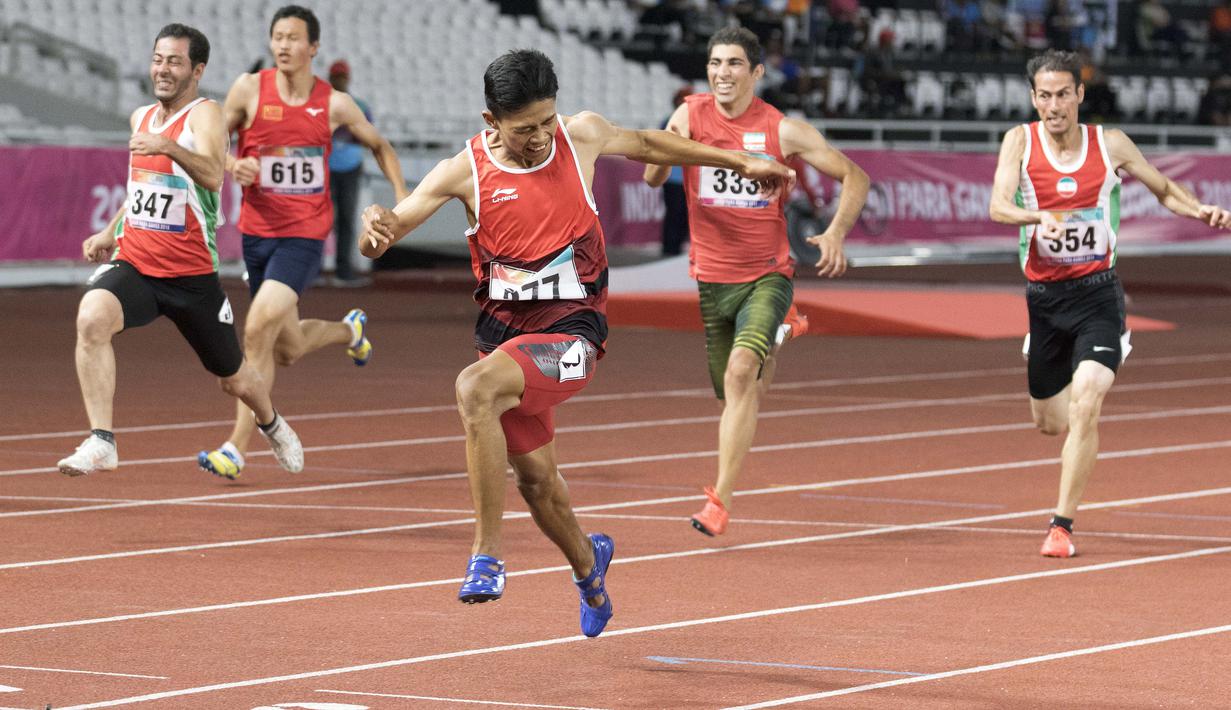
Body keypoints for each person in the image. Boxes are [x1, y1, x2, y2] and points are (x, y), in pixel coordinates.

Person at [359, 49, 793, 637]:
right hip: (505, 345)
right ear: (492, 122)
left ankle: (486, 555)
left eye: (545, 121)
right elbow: (393, 226)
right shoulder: (463, 172)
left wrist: (737, 159)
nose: (540, 138)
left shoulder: (579, 136)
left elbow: (650, 144)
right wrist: (375, 230)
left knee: (474, 389)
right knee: (540, 487)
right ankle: (590, 567)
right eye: (523, 130)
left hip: (573, 338)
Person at [989, 49, 1231, 558]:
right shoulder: (1019, 140)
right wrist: (1038, 221)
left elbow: (1162, 186)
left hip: (1099, 294)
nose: (1053, 106)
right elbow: (997, 205)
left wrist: (1200, 209)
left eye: (1062, 94)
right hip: (1044, 300)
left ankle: (1061, 526)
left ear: (1080, 94)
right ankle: (1049, 358)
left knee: (1087, 403)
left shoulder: (1110, 143)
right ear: (1033, 98)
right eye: (1044, 96)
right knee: (1049, 422)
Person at [643, 26, 868, 538]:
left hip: (767, 273)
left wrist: (834, 234)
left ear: (756, 72)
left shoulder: (782, 130)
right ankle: (783, 331)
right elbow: (653, 177)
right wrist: (664, 157)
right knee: (733, 396)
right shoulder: (689, 115)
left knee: (743, 374)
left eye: (734, 64)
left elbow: (855, 176)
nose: (723, 73)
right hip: (710, 280)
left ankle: (718, 501)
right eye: (715, 63)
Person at [58, 24, 303, 478]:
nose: (163, 69)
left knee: (233, 377)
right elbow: (142, 189)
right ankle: (101, 441)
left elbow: (213, 176)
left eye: (174, 61)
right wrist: (112, 230)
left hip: (191, 277)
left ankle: (272, 423)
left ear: (197, 69)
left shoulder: (205, 115)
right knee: (91, 318)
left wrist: (167, 146)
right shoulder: (140, 118)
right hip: (137, 263)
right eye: (157, 59)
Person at [197, 5, 409, 479]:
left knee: (256, 330)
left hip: (305, 236)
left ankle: (237, 446)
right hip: (257, 236)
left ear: (313, 47)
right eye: (277, 37)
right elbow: (212, 138)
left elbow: (379, 145)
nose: (283, 45)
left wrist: (402, 200)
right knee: (286, 347)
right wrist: (233, 166)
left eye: (293, 38)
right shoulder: (250, 89)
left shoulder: (333, 103)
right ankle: (349, 331)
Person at [325, 58, 372, 287]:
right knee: (319, 219)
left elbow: (369, 136)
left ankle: (342, 270)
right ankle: (312, 270)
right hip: (324, 167)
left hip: (350, 167)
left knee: (345, 219)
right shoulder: (319, 104)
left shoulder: (360, 106)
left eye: (342, 77)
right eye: (336, 77)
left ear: (348, 78)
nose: (339, 81)